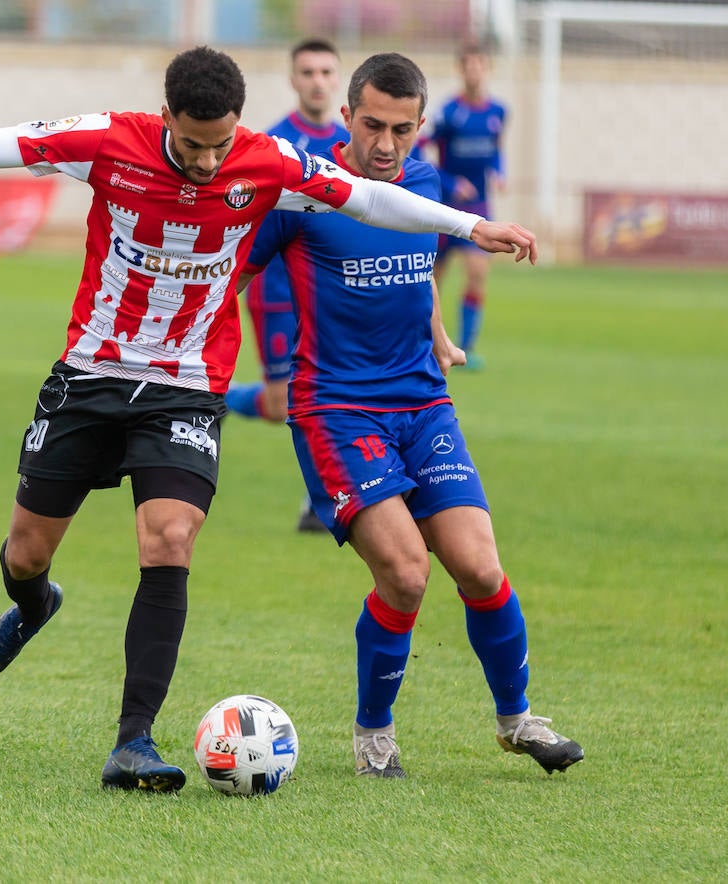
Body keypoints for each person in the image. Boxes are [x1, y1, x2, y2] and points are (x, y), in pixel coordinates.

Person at [0, 45, 539, 794]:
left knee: (169, 538)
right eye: (193, 144)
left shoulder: (268, 160)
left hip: (187, 387)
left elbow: (370, 199)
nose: (210, 163)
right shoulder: (111, 140)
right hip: (90, 375)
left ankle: (134, 742)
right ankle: (35, 602)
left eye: (221, 145)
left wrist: (471, 228)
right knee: (25, 554)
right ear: (168, 116)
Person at [242, 52, 582, 779]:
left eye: (401, 128)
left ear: (421, 125)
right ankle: (373, 735)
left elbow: (417, 270)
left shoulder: (426, 186)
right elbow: (234, 265)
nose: (385, 144)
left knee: (480, 567)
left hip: (424, 404)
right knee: (404, 573)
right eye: (372, 126)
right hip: (335, 410)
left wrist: (439, 335)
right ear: (346, 118)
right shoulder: (306, 191)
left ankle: (518, 720)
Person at [224, 37, 349, 533]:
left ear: (336, 79)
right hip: (277, 293)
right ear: (294, 79)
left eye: (325, 72)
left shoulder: (350, 144)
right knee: (282, 405)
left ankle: (322, 501)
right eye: (308, 72)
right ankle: (224, 399)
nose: (317, 81)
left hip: (331, 296)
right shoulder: (272, 144)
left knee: (333, 395)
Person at [425, 41, 507, 371]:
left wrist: (499, 171)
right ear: (461, 69)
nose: (474, 70)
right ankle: (428, 341)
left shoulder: (498, 112)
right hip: (446, 206)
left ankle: (467, 347)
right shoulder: (448, 113)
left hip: (480, 204)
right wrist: (449, 182)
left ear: (487, 69)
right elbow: (423, 152)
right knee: (431, 279)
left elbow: (497, 149)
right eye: (469, 64)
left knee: (477, 274)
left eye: (480, 64)